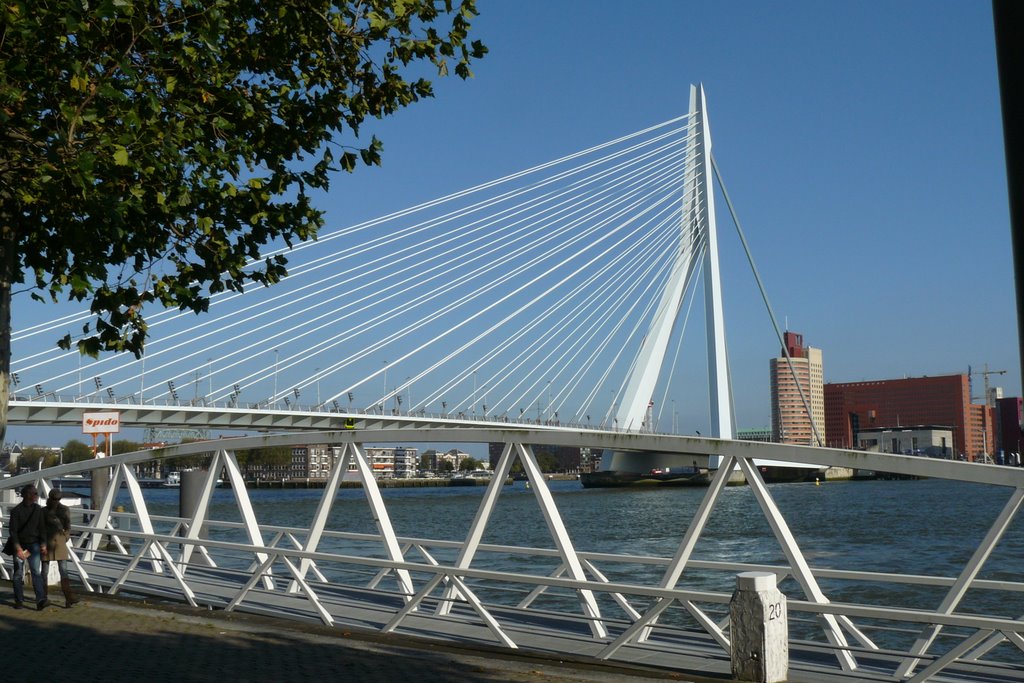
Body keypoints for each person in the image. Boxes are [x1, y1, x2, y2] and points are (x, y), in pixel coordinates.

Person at [8, 484, 49, 609]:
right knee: (19, 573)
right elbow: (13, 532)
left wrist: (43, 544)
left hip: (34, 545)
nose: (37, 495)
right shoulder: (16, 511)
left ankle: (40, 600)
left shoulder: (38, 509)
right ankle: (19, 600)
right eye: (35, 493)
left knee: (34, 572)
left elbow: (42, 527)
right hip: (22, 545)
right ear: (27, 495)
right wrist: (18, 549)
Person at [43, 489, 78, 607]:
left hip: (60, 543)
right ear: (50, 498)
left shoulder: (64, 510)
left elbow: (68, 526)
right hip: (47, 544)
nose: (57, 501)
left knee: (63, 571)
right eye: (54, 499)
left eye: (58, 499)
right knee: (44, 572)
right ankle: (43, 598)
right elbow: (40, 527)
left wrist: (66, 536)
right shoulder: (43, 511)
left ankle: (69, 598)